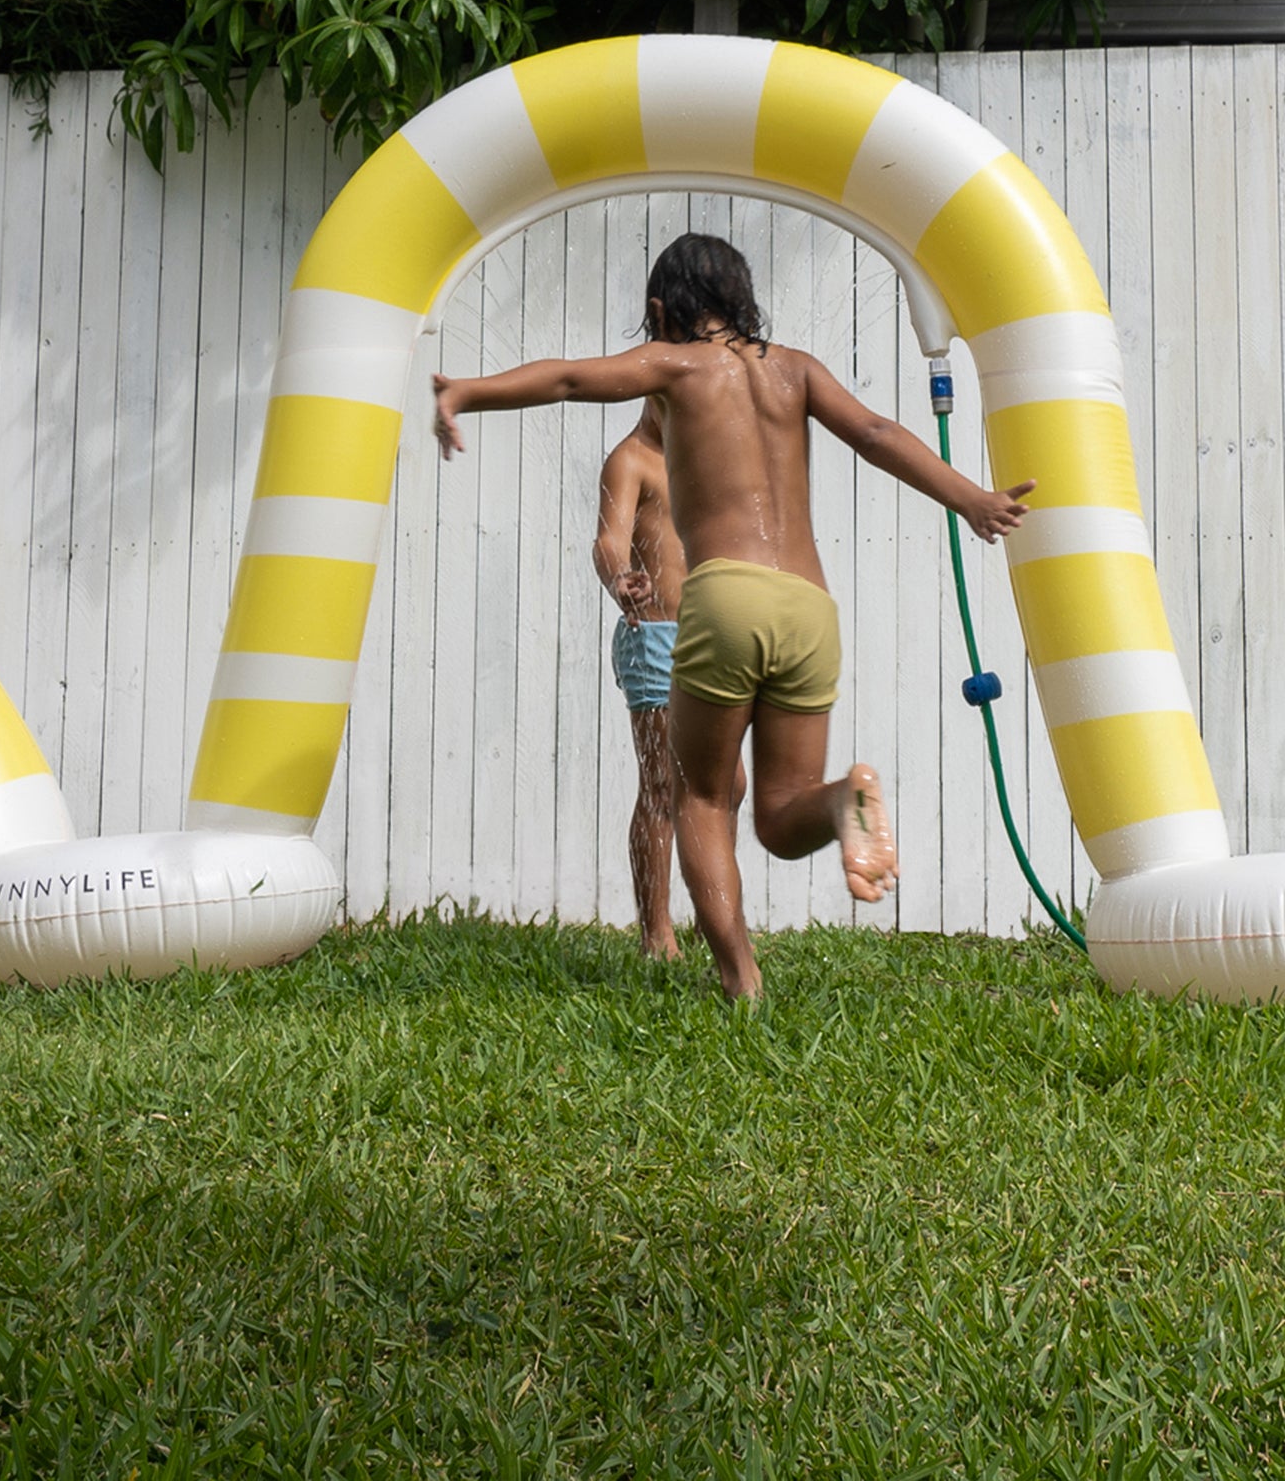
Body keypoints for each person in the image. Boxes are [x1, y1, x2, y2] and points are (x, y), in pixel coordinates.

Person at [433, 232, 1033, 1001]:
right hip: (809, 609)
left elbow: (573, 378)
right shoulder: (797, 370)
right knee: (782, 817)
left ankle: (739, 978)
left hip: (725, 598)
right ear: (742, 298)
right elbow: (879, 435)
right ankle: (845, 793)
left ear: (662, 309)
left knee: (703, 796)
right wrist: (972, 498)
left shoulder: (676, 366)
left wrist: (467, 393)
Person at [593, 400, 741, 961]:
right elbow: (609, 539)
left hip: (711, 638)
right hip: (654, 634)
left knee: (730, 786)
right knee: (661, 785)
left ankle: (711, 911)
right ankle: (656, 932)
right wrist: (619, 578)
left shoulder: (705, 458)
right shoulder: (631, 459)